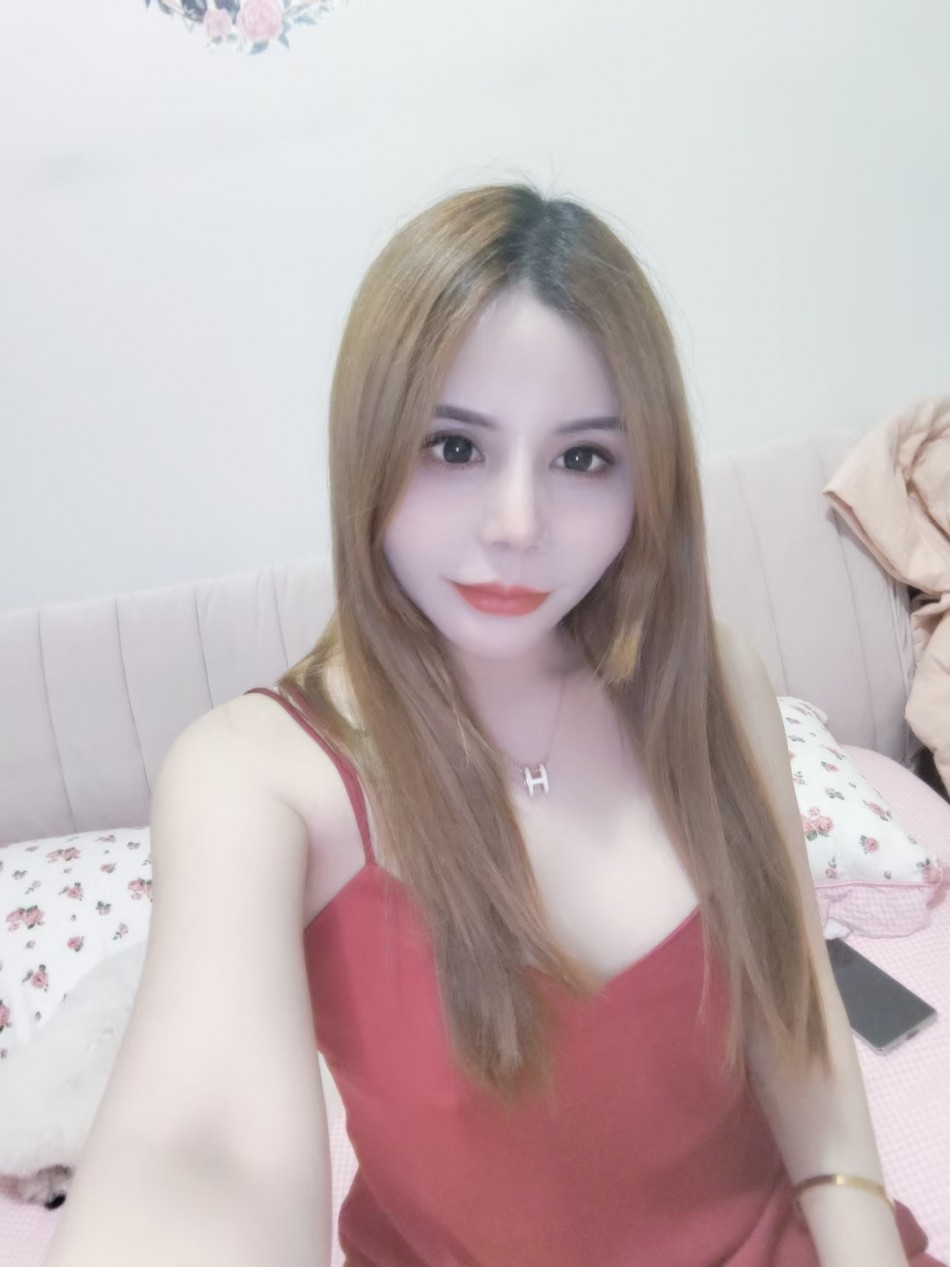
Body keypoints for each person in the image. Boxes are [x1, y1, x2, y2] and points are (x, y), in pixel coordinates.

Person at [43, 184, 945, 1267]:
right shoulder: (257, 779)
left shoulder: (709, 682)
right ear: (368, 444)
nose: (517, 525)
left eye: (582, 458)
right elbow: (203, 1148)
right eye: (454, 447)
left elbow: (798, 1026)